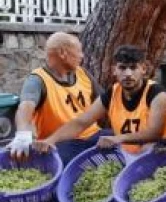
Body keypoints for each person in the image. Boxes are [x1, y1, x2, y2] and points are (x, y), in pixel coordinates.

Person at [38, 45, 166, 158]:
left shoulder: (157, 94)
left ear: (143, 69)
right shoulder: (113, 92)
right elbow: (81, 122)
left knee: (147, 148)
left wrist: (117, 139)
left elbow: (153, 133)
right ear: (114, 70)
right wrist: (50, 140)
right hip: (130, 155)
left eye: (133, 67)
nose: (128, 74)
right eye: (123, 68)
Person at [10, 33, 104, 164]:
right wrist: (22, 134)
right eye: (78, 51)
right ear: (62, 53)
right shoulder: (38, 80)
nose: (82, 56)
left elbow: (106, 103)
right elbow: (25, 107)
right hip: (59, 143)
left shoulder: (83, 74)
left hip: (93, 135)